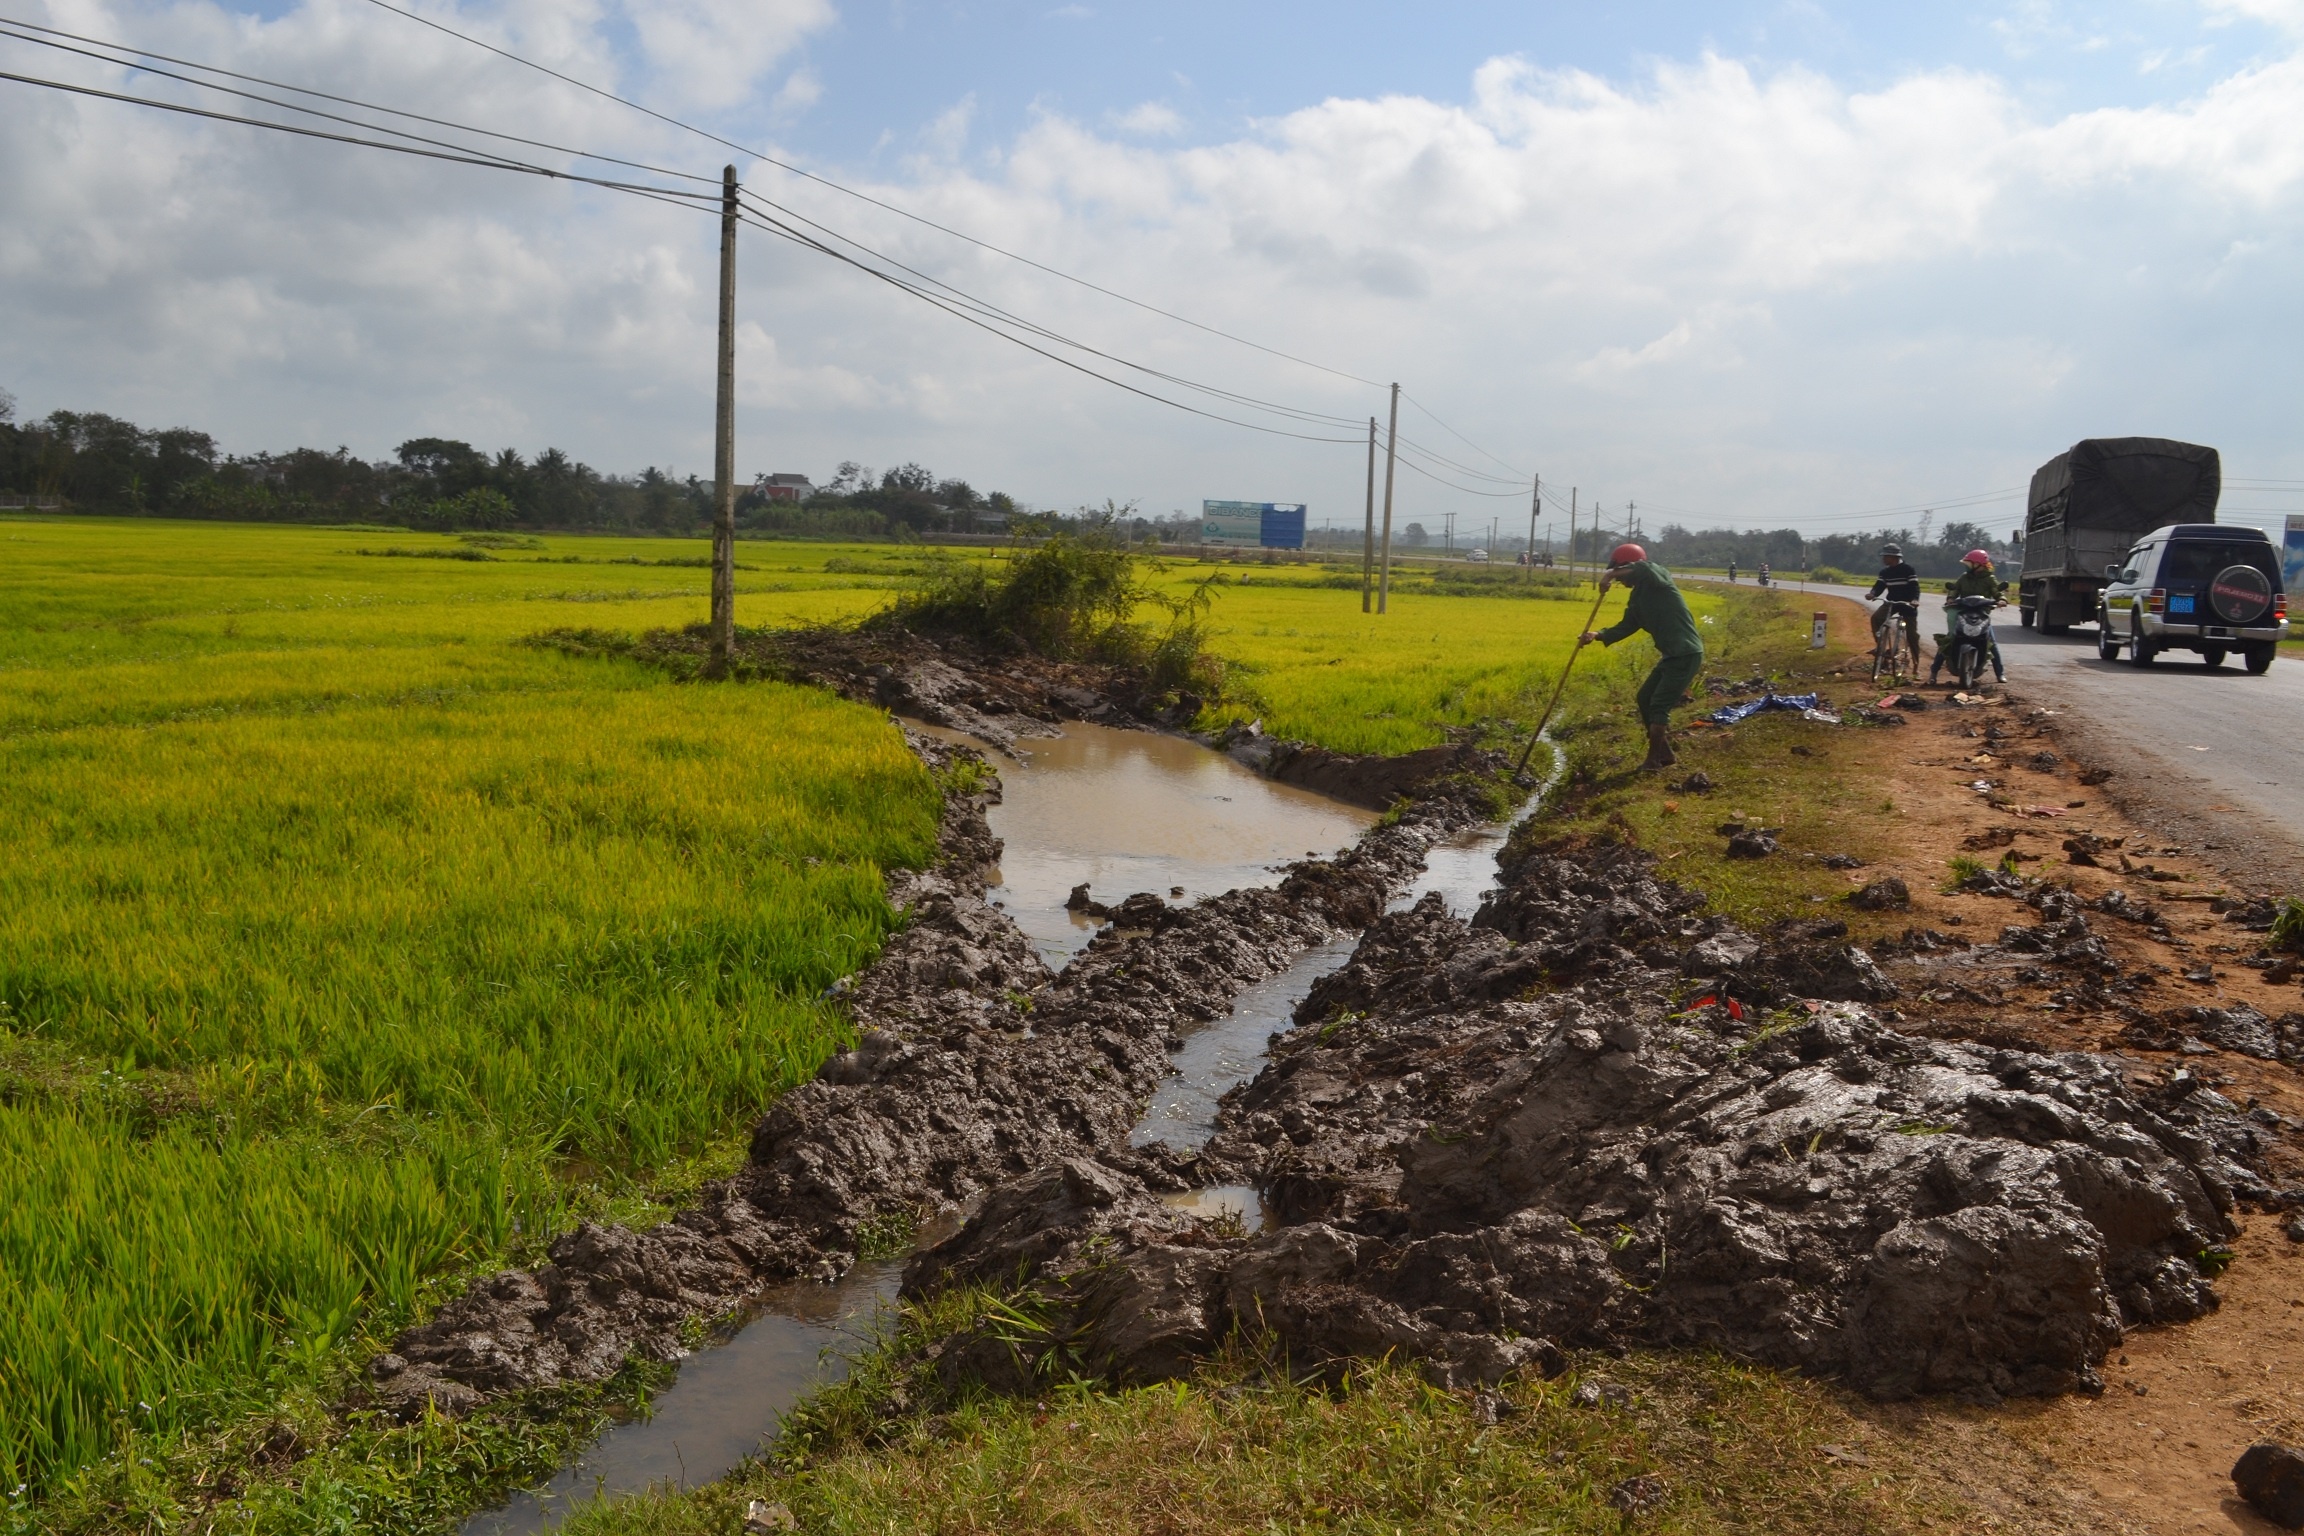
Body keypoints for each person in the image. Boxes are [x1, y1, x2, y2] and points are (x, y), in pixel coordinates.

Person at [1579, 543, 1705, 772]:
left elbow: (1645, 568)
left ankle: (1653, 761)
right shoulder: (1637, 598)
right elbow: (1627, 626)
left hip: (1686, 653)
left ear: (1630, 566)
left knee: (1658, 705)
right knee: (1645, 698)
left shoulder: (1659, 579)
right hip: (1671, 655)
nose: (1620, 580)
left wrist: (1609, 575)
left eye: (1621, 574)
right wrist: (1596, 635)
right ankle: (1665, 753)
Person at [1930, 549, 2008, 684]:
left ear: (1978, 564)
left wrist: (2002, 600)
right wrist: (1950, 598)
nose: (1967, 566)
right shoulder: (1964, 577)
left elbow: (1997, 592)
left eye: (1969, 563)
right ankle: (1933, 673)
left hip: (1982, 613)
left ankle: (2000, 674)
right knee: (1949, 639)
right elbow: (1954, 590)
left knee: (1991, 643)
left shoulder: (1989, 579)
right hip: (1964, 612)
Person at [1866, 544, 1923, 673]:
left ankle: (1916, 665)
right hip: (1892, 603)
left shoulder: (1908, 570)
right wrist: (1872, 594)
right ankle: (1881, 648)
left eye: (1886, 556)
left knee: (1912, 635)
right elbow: (1879, 586)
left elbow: (1915, 587)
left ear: (1894, 557)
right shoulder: (1885, 572)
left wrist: (1915, 600)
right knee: (1876, 618)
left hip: (1908, 604)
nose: (1883, 559)